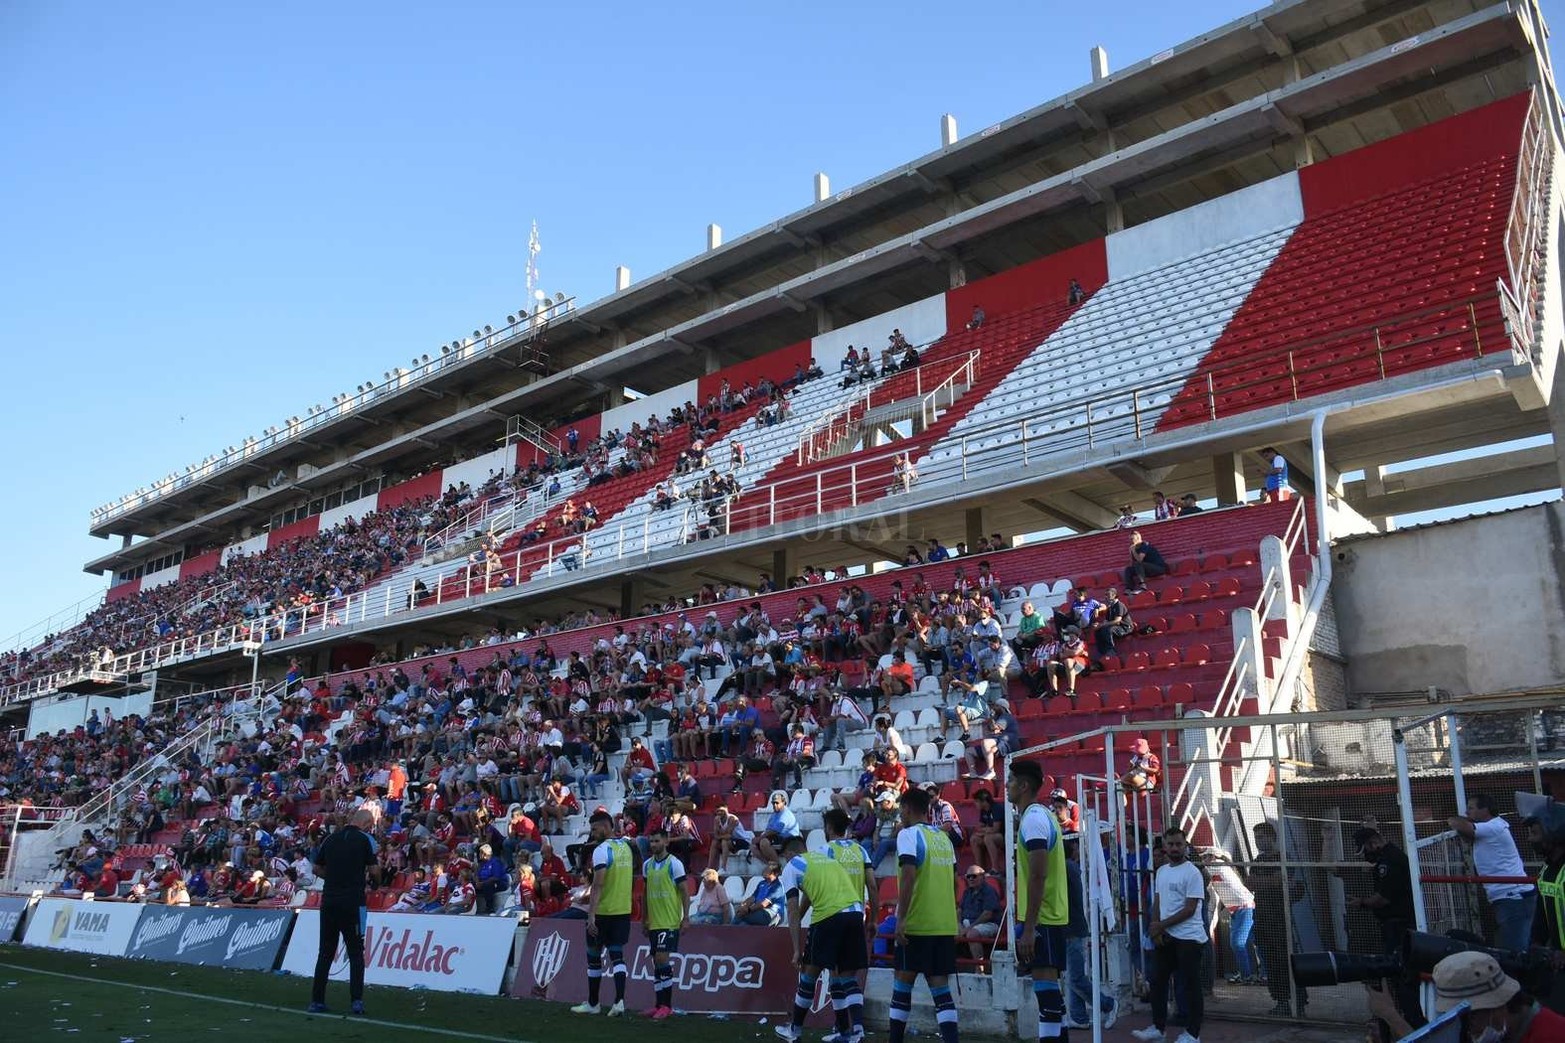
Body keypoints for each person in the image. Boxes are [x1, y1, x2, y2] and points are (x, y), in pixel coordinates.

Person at [774, 833, 868, 1043]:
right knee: (847, 976)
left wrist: (797, 950)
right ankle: (854, 1032)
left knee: (809, 973)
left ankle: (795, 1030)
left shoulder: (792, 866)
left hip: (828, 916)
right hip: (854, 913)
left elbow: (792, 910)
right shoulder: (826, 860)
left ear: (789, 853)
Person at [890, 786, 960, 1043]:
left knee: (902, 984)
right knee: (941, 989)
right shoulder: (944, 838)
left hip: (917, 924)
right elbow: (954, 883)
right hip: (943, 924)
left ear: (907, 808)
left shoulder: (908, 835)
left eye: (901, 809)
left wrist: (901, 918)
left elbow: (908, 876)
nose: (900, 814)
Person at [1007, 759, 1069, 1043]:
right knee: (1053, 995)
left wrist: (1029, 926)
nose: (1006, 786)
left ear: (1023, 785)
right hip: (1051, 914)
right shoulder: (1041, 816)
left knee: (1046, 996)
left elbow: (1038, 875)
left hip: (1043, 917)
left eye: (1010, 781)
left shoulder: (1033, 818)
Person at [1132, 826, 1207, 1043]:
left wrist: (1161, 925)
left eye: (1178, 844)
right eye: (1170, 844)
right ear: (1165, 846)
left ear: (1185, 846)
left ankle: (1193, 1034)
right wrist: (1155, 925)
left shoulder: (1193, 872)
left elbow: (1190, 908)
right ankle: (1158, 1027)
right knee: (1158, 981)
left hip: (1189, 938)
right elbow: (1158, 900)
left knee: (1190, 985)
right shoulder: (1163, 871)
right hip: (1166, 937)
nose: (1174, 848)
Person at [308, 807, 377, 1015]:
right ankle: (356, 1000)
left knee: (325, 952)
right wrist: (374, 883)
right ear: (367, 824)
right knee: (356, 952)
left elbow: (316, 868)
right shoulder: (365, 840)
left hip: (329, 901)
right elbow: (374, 870)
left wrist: (334, 878)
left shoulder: (330, 840)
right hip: (354, 903)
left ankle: (316, 1000)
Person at [1450, 794, 1538, 952]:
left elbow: (1462, 826)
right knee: (1509, 946)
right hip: (1506, 897)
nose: (1467, 812)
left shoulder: (1494, 826)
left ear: (1485, 810)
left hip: (1513, 897)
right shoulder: (1490, 828)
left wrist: (1454, 820)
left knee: (1514, 951)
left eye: (1471, 808)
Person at [572, 810, 632, 1017]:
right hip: (623, 910)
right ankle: (619, 1002)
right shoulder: (626, 847)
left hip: (604, 911)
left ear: (606, 827)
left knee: (593, 956)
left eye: (595, 828)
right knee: (617, 956)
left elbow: (598, 884)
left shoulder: (601, 850)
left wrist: (591, 915)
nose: (592, 833)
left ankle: (593, 1003)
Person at [1431, 951, 1565, 1041]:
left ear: (1497, 1003)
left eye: (1472, 1016)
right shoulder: (1507, 1034)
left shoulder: (1552, 1035)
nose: (1469, 1029)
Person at [1248, 822, 1306, 1016]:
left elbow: (1278, 880)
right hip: (1263, 917)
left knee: (1288, 959)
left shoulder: (1283, 858)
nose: (1259, 841)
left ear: (1272, 837)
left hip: (1280, 917)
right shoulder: (1258, 861)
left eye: (1262, 837)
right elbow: (1250, 883)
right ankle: (1281, 1002)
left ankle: (1299, 1002)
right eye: (1256, 838)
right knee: (1271, 962)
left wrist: (1269, 881)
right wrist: (1270, 881)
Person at [1065, 839, 1117, 1029]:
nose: (1080, 850)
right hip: (1071, 928)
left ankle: (1108, 1005)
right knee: (1072, 976)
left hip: (1073, 928)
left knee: (1076, 978)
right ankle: (1079, 1017)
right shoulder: (1071, 867)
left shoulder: (1068, 867)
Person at [640, 827, 688, 1020]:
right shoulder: (647, 865)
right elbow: (644, 893)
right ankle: (658, 1004)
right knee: (656, 962)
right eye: (651, 842)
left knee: (661, 959)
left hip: (669, 920)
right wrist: (644, 918)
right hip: (654, 921)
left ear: (666, 842)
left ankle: (667, 1005)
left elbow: (684, 891)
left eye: (657, 841)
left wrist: (686, 917)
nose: (653, 845)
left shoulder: (674, 864)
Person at [960, 865, 1003, 963]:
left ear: (982, 876)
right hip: (968, 922)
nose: (971, 879)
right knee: (948, 931)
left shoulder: (989, 891)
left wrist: (968, 929)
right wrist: (958, 924)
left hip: (990, 924)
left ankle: (979, 968)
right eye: (968, 876)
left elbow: (987, 915)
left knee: (972, 934)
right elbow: (959, 910)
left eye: (974, 876)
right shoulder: (967, 892)